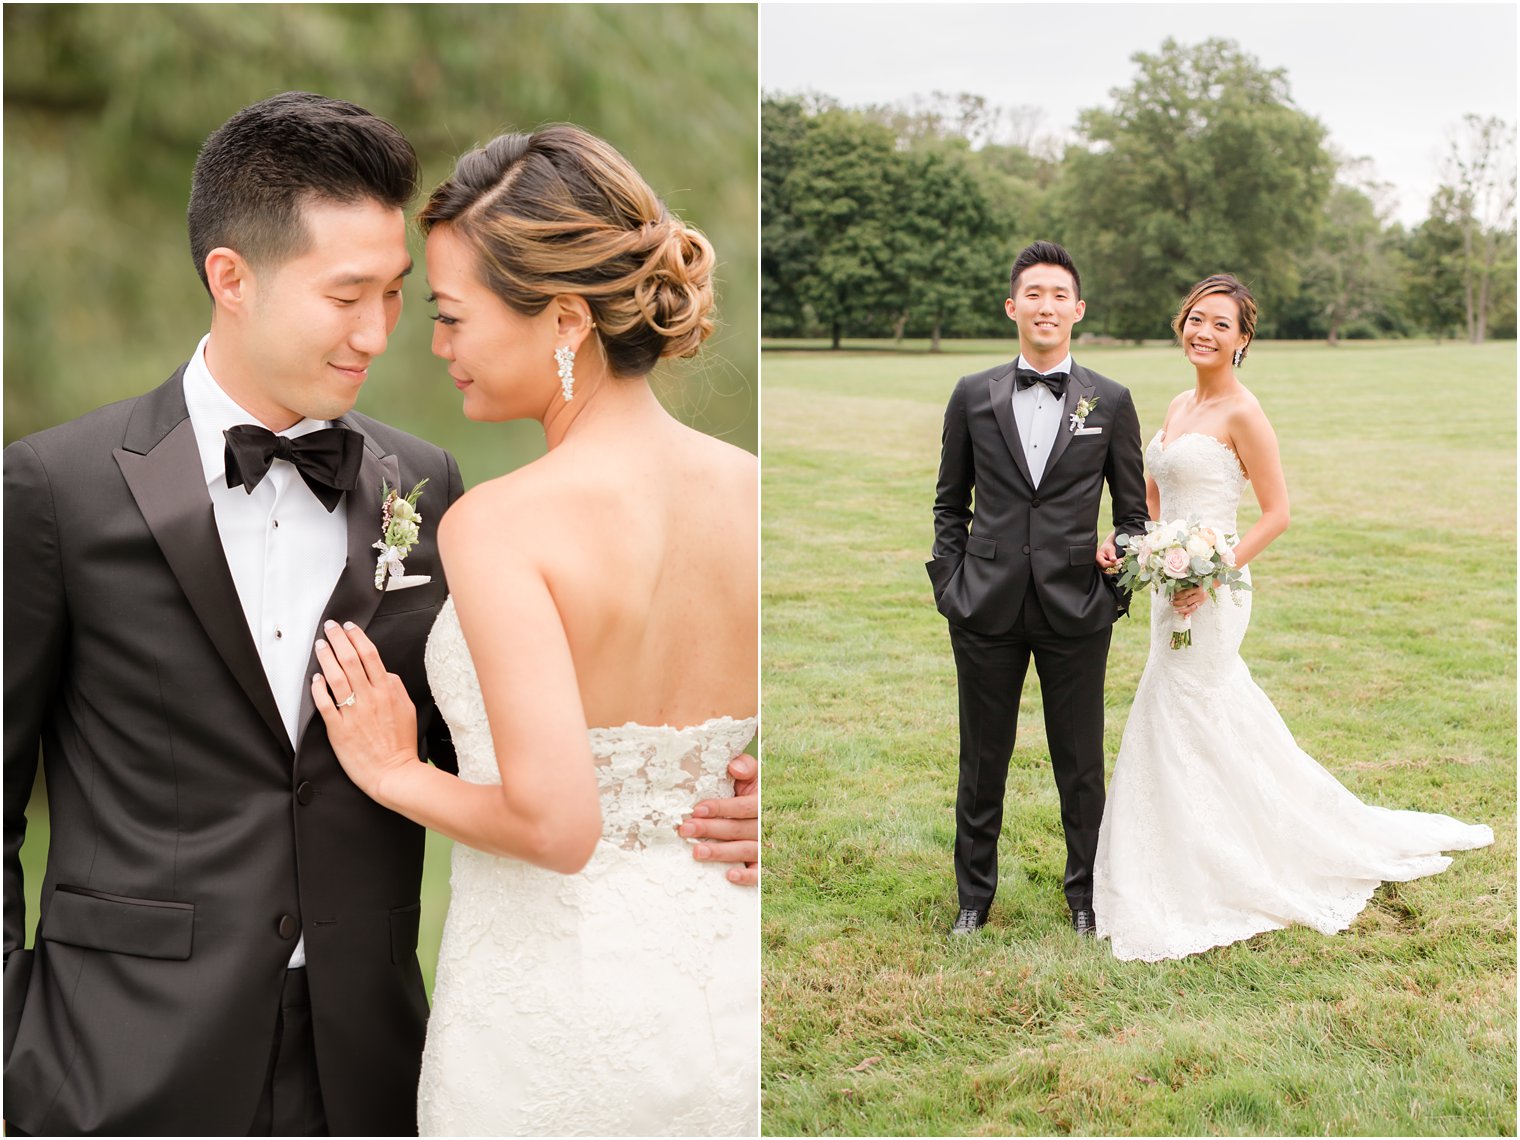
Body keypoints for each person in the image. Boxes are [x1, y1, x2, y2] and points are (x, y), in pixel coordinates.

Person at [2, 94, 756, 1137]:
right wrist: (15, 1051)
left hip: (372, 1062)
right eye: (348, 294)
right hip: (112, 1065)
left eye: (406, 296)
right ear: (232, 278)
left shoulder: (431, 485)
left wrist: (749, 795)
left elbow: (512, 747)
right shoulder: (54, 488)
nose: (383, 334)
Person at [309, 124, 758, 1136]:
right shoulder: (751, 492)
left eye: (452, 316)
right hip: (723, 991)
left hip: (557, 1014)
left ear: (563, 319)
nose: (435, 346)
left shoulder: (505, 522)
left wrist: (393, 773)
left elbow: (559, 828)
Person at [1091, 273, 1493, 963]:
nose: (1203, 331)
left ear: (1243, 340)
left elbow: (1277, 513)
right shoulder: (1178, 404)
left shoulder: (1243, 412)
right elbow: (1155, 497)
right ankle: (1190, 843)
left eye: (1221, 323)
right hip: (1170, 583)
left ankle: (1223, 860)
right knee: (1186, 707)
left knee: (1186, 703)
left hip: (1217, 587)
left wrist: (1211, 575)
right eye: (1195, 317)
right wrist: (1130, 543)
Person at [927, 240, 1148, 938]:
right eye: (1034, 294)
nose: (1045, 306)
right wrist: (951, 583)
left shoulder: (1109, 400)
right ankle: (973, 898)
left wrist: (1116, 576)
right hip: (984, 603)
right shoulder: (972, 394)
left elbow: (1135, 515)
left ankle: (1086, 897)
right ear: (1012, 306)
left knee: (1080, 763)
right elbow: (948, 502)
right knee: (980, 759)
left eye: (1059, 295)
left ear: (1077, 310)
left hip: (1076, 605)